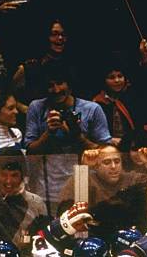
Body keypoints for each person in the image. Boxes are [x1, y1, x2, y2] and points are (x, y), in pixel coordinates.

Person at [24, 62, 112, 216]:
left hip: (84, 187)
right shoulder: (36, 108)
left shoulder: (92, 109)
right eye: (50, 85)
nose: (56, 90)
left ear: (69, 85)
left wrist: (77, 136)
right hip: (46, 191)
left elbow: (106, 153)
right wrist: (48, 133)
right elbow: (30, 151)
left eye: (60, 83)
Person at [0, 148, 47, 257]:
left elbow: (43, 245)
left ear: (22, 175)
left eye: (14, 175)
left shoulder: (36, 204)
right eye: (3, 175)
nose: (8, 181)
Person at [57, 145, 147, 212]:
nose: (113, 166)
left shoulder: (132, 179)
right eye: (107, 162)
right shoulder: (87, 179)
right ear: (96, 165)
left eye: (117, 161)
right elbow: (67, 209)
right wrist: (84, 168)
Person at [92, 45, 147, 149]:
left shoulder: (131, 97)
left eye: (120, 76)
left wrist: (145, 59)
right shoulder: (98, 103)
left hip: (133, 146)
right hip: (108, 148)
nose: (117, 80)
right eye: (111, 77)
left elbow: (143, 80)